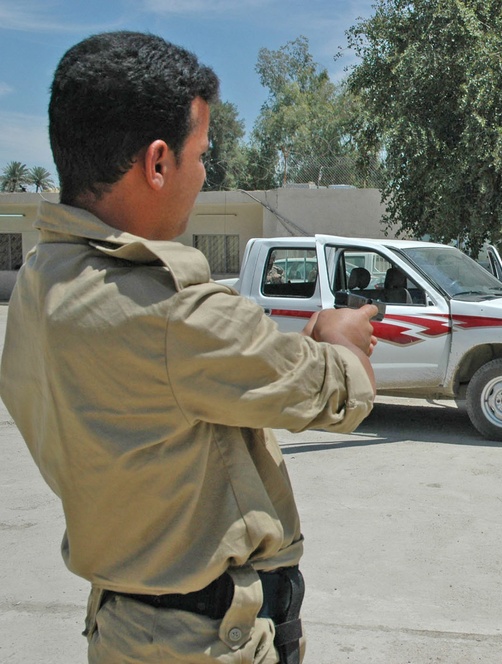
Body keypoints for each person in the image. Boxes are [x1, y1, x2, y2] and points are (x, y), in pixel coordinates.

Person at [0, 32, 378, 663]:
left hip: (123, 622)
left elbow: (173, 383)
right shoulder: (172, 310)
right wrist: (341, 339)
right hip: (202, 637)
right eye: (201, 155)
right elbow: (337, 396)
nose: (205, 175)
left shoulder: (43, 279)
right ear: (156, 163)